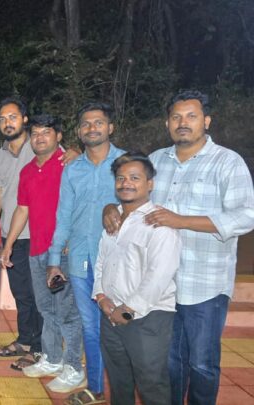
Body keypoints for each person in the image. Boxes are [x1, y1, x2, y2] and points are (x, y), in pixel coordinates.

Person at [103, 90, 254, 405]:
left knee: (201, 363)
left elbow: (246, 216)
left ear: (206, 121)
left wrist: (182, 221)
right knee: (168, 363)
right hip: (159, 288)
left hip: (204, 284)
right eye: (176, 117)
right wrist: (110, 208)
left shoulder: (227, 162)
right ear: (167, 123)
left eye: (191, 116)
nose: (182, 123)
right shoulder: (157, 160)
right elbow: (134, 198)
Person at [0, 115, 85, 393]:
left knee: (67, 312)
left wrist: (71, 241)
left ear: (58, 136)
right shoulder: (27, 171)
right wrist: (9, 244)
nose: (39, 138)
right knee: (46, 309)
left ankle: (74, 368)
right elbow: (22, 209)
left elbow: (83, 205)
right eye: (35, 133)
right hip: (36, 249)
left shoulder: (70, 164)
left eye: (46, 132)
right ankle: (52, 358)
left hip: (63, 251)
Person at [47, 102, 125, 405]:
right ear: (79, 132)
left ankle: (123, 389)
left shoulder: (126, 164)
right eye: (86, 124)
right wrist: (54, 260)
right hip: (81, 258)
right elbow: (63, 216)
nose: (92, 128)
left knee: (120, 326)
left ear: (110, 127)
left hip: (119, 260)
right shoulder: (73, 169)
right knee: (91, 328)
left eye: (98, 122)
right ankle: (96, 388)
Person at [95, 152, 181, 405]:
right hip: (110, 313)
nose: (126, 183)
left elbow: (159, 275)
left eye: (134, 178)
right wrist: (100, 296)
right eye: (121, 178)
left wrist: (128, 310)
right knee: (119, 383)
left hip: (147, 318)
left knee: (151, 384)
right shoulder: (113, 220)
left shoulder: (159, 223)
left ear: (149, 183)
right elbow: (101, 262)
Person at [0, 97, 44, 370]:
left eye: (12, 117)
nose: (7, 123)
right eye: (2, 119)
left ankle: (40, 348)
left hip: (38, 234)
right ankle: (25, 340)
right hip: (11, 235)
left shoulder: (39, 146)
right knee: (21, 293)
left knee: (38, 294)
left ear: (24, 119)